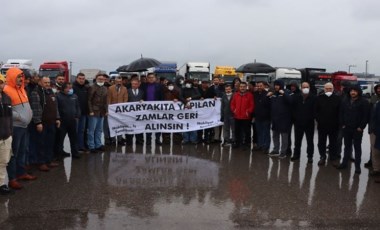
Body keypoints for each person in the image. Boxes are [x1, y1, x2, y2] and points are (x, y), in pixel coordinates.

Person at [4, 68, 35, 190]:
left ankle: (21, 173)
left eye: (21, 77)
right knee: (14, 153)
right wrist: (21, 117)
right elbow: (8, 110)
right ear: (12, 77)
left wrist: (30, 114)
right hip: (15, 127)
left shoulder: (22, 89)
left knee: (22, 151)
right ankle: (12, 179)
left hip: (24, 126)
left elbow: (26, 106)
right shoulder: (7, 90)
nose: (21, 79)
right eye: (18, 77)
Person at [337, 85, 370, 174]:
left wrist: (361, 127)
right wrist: (342, 124)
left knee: (357, 148)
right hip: (346, 128)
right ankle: (344, 163)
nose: (353, 92)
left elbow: (365, 116)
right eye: (351, 91)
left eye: (355, 91)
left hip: (357, 129)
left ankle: (357, 166)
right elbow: (341, 113)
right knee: (347, 147)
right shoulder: (345, 101)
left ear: (358, 92)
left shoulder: (364, 102)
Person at [33, 77, 61, 170]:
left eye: (48, 82)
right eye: (45, 82)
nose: (47, 84)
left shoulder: (51, 92)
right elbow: (36, 109)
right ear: (40, 82)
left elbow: (55, 106)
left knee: (50, 143)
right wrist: (38, 122)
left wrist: (57, 118)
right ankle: (41, 162)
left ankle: (49, 160)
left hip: (52, 122)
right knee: (41, 144)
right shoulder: (36, 92)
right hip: (42, 123)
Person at [315, 83, 341, 166]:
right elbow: (316, 111)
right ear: (324, 89)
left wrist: (338, 122)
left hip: (334, 125)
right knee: (321, 142)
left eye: (330, 88)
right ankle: (322, 157)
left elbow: (340, 112)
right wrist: (319, 120)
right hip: (322, 125)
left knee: (333, 142)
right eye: (327, 88)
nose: (329, 90)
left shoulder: (338, 99)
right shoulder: (319, 98)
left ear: (333, 89)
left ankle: (333, 158)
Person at [291, 82, 316, 163]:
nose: (305, 88)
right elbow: (293, 109)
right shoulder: (296, 97)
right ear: (301, 88)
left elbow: (315, 110)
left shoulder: (314, 98)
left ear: (309, 87)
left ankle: (310, 156)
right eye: (303, 87)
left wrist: (311, 117)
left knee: (310, 141)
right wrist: (296, 118)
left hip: (309, 123)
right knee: (297, 140)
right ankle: (296, 155)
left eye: (307, 87)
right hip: (298, 123)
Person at [267, 80, 292, 159]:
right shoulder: (274, 94)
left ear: (281, 85)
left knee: (284, 136)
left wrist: (284, 94)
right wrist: (267, 96)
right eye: (275, 85)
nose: (276, 86)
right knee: (275, 135)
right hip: (275, 119)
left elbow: (291, 101)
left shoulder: (287, 92)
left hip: (284, 119)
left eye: (278, 85)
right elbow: (267, 104)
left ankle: (283, 152)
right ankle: (275, 150)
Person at [57, 82, 81, 159]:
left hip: (73, 121)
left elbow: (77, 107)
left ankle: (75, 152)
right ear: (63, 88)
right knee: (60, 139)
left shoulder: (74, 96)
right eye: (68, 88)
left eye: (71, 88)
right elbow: (56, 108)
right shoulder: (58, 96)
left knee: (74, 138)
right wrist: (58, 118)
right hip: (63, 121)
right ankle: (59, 153)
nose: (70, 89)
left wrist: (77, 115)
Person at [230, 82, 254, 150]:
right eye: (241, 86)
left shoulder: (250, 95)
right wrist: (234, 110)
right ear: (239, 87)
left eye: (244, 86)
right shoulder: (235, 95)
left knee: (246, 131)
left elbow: (251, 105)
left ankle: (246, 143)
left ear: (246, 87)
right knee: (237, 130)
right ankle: (237, 142)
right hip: (237, 116)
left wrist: (248, 112)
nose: (242, 88)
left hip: (246, 117)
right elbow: (232, 104)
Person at [141, 73, 164, 145]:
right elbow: (141, 95)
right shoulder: (143, 86)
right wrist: (141, 99)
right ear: (147, 78)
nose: (151, 78)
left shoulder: (160, 86)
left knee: (158, 124)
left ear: (155, 78)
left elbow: (162, 97)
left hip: (157, 108)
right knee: (148, 124)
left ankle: (157, 139)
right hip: (147, 108)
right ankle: (148, 139)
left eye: (152, 77)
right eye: (149, 77)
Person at [88, 73, 108, 153]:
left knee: (99, 130)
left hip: (102, 112)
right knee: (91, 130)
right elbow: (89, 100)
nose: (101, 80)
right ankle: (91, 146)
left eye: (102, 79)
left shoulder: (105, 88)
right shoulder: (92, 87)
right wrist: (91, 111)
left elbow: (106, 101)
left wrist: (107, 110)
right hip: (94, 111)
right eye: (99, 79)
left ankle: (98, 144)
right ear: (96, 79)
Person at [0, 74, 14, 195]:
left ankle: (1, 184)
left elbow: (10, 117)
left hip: (6, 136)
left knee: (3, 162)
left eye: (1, 82)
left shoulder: (7, 98)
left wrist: (10, 132)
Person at [107, 76, 128, 145]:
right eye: (117, 81)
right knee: (112, 125)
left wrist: (123, 108)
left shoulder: (124, 88)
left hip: (121, 110)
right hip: (112, 110)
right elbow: (109, 99)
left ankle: (119, 139)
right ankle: (113, 139)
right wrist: (109, 108)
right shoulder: (110, 88)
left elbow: (125, 98)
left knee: (120, 125)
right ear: (115, 81)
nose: (119, 82)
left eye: (120, 81)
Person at [72, 72, 90, 152]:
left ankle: (81, 146)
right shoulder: (73, 87)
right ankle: (76, 147)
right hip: (76, 114)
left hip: (84, 113)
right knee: (75, 131)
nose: (81, 80)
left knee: (82, 131)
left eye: (83, 79)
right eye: (80, 78)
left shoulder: (86, 88)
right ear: (76, 79)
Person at [252, 81, 271, 154]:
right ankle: (260, 145)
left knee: (266, 133)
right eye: (258, 86)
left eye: (261, 86)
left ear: (264, 86)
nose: (259, 87)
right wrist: (253, 116)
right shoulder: (255, 94)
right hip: (257, 117)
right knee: (259, 132)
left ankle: (266, 147)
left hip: (266, 117)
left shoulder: (268, 94)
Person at [181, 79, 201, 144]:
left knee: (193, 124)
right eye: (187, 83)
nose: (188, 84)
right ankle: (186, 139)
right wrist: (185, 102)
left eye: (189, 83)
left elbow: (198, 95)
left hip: (193, 111)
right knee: (185, 124)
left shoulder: (194, 89)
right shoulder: (183, 89)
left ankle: (193, 139)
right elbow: (180, 96)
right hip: (185, 110)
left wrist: (191, 98)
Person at [205, 76, 224, 144]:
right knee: (211, 124)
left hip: (219, 109)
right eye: (215, 80)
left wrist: (220, 98)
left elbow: (224, 95)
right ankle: (211, 138)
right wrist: (212, 97)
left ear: (219, 81)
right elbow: (206, 96)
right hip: (212, 110)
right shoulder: (210, 88)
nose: (216, 81)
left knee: (219, 124)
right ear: (213, 81)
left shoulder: (222, 88)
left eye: (217, 80)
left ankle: (218, 138)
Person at [365, 84, 380, 169]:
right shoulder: (373, 98)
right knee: (373, 145)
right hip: (373, 125)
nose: (379, 90)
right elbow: (369, 111)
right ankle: (372, 161)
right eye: (378, 88)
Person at [126, 78, 144, 145]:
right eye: (132, 84)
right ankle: (129, 141)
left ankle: (139, 140)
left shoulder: (142, 91)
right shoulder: (127, 91)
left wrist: (142, 100)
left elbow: (144, 100)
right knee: (129, 126)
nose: (134, 85)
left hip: (139, 114)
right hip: (129, 113)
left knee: (139, 126)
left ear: (139, 84)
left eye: (135, 84)